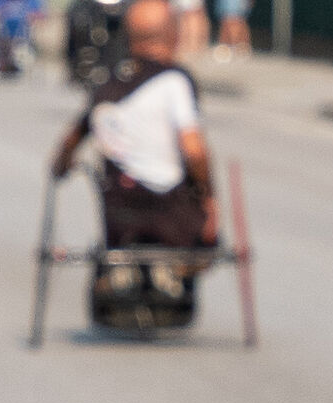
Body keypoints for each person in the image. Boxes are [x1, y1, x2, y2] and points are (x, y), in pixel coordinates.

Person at [51, 0, 219, 277]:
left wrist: (61, 166)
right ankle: (175, 273)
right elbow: (195, 151)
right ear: (173, 34)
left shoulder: (107, 86)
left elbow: (71, 140)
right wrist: (208, 198)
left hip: (119, 215)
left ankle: (122, 272)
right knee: (204, 228)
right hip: (172, 213)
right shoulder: (175, 81)